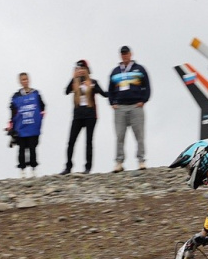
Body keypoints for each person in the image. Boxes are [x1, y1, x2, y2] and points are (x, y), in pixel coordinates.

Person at [107, 45, 150, 173]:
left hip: (136, 106)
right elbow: (110, 89)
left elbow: (147, 86)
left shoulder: (139, 69)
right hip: (120, 107)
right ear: (120, 55)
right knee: (120, 135)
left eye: (126, 53)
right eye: (122, 54)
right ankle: (119, 162)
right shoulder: (115, 71)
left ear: (131, 54)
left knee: (139, 135)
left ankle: (141, 160)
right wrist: (112, 103)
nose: (125, 55)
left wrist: (143, 100)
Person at [61, 60, 105, 175]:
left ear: (87, 70)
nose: (80, 70)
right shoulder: (75, 82)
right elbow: (66, 91)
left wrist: (116, 94)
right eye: (78, 69)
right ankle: (68, 167)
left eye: (82, 68)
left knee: (88, 141)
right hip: (78, 116)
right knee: (71, 141)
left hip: (90, 115)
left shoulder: (93, 82)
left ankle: (88, 167)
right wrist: (73, 78)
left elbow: (104, 94)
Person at [8, 72, 45, 178]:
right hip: (21, 128)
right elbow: (13, 110)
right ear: (20, 81)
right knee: (22, 149)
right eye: (23, 79)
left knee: (33, 148)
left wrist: (39, 119)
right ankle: (22, 171)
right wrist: (11, 125)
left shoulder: (36, 93)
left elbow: (42, 107)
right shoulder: (16, 96)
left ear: (29, 80)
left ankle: (34, 170)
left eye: (26, 79)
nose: (25, 81)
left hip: (33, 127)